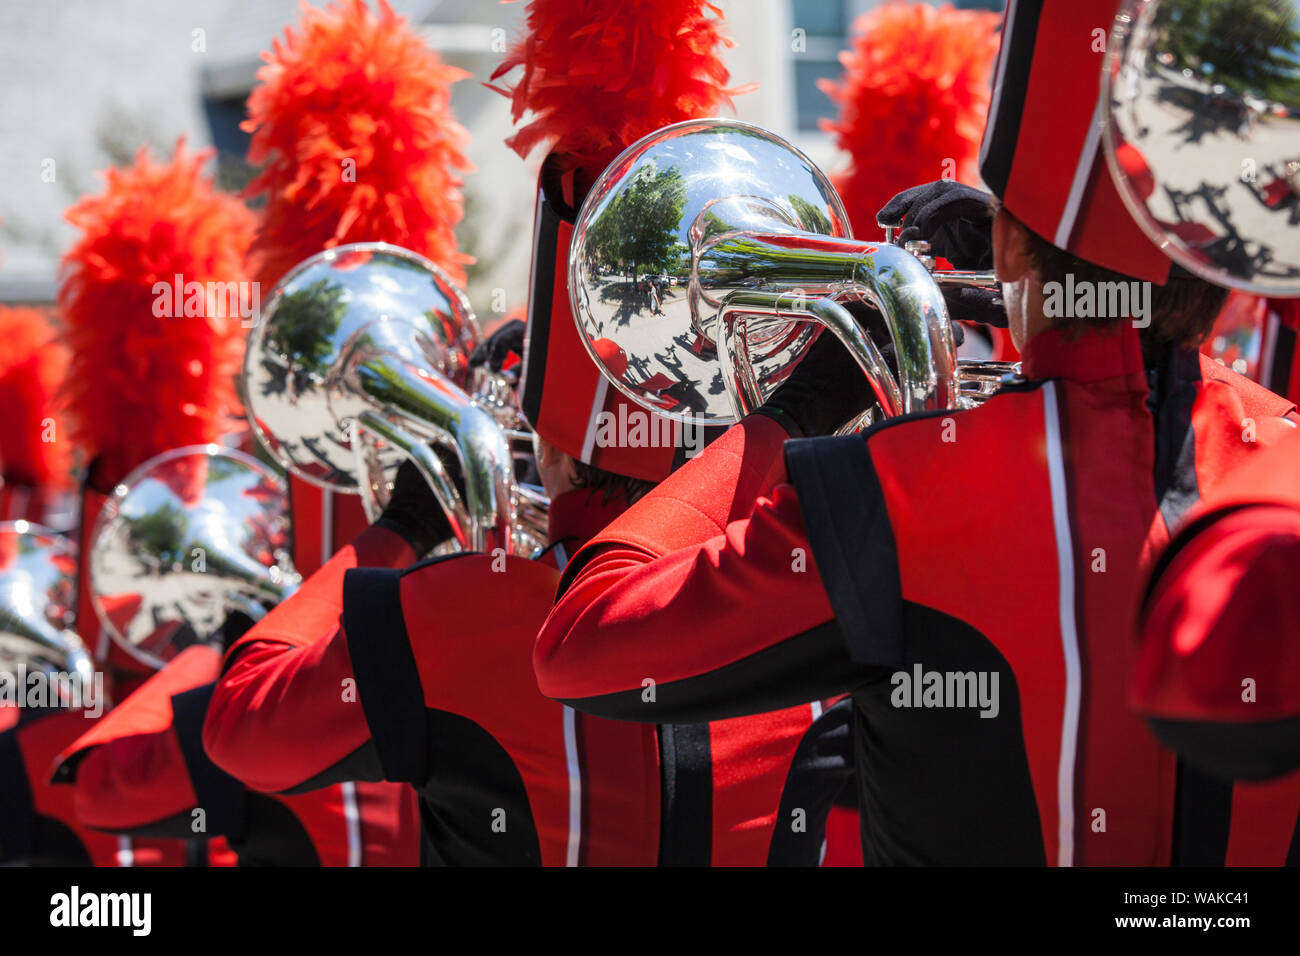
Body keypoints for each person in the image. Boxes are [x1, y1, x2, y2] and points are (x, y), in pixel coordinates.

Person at [534, 0, 1300, 866]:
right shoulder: (1287, 462)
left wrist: (793, 415)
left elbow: (582, 645)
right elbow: (1121, 384)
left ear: (1007, 249)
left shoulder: (897, 496)